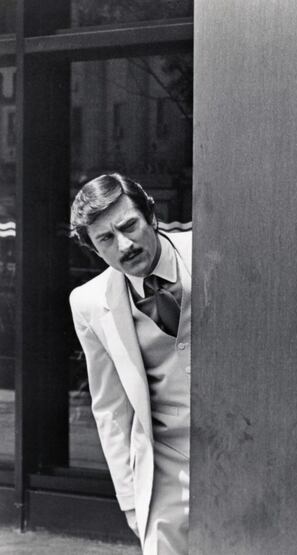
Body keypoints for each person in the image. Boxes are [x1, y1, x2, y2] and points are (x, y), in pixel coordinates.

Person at [69, 173, 191, 554]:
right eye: (106, 238)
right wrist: (131, 499)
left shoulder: (210, 247)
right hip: (167, 470)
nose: (124, 245)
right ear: (93, 248)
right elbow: (110, 407)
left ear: (150, 216)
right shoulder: (89, 303)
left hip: (249, 448)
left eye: (129, 226)